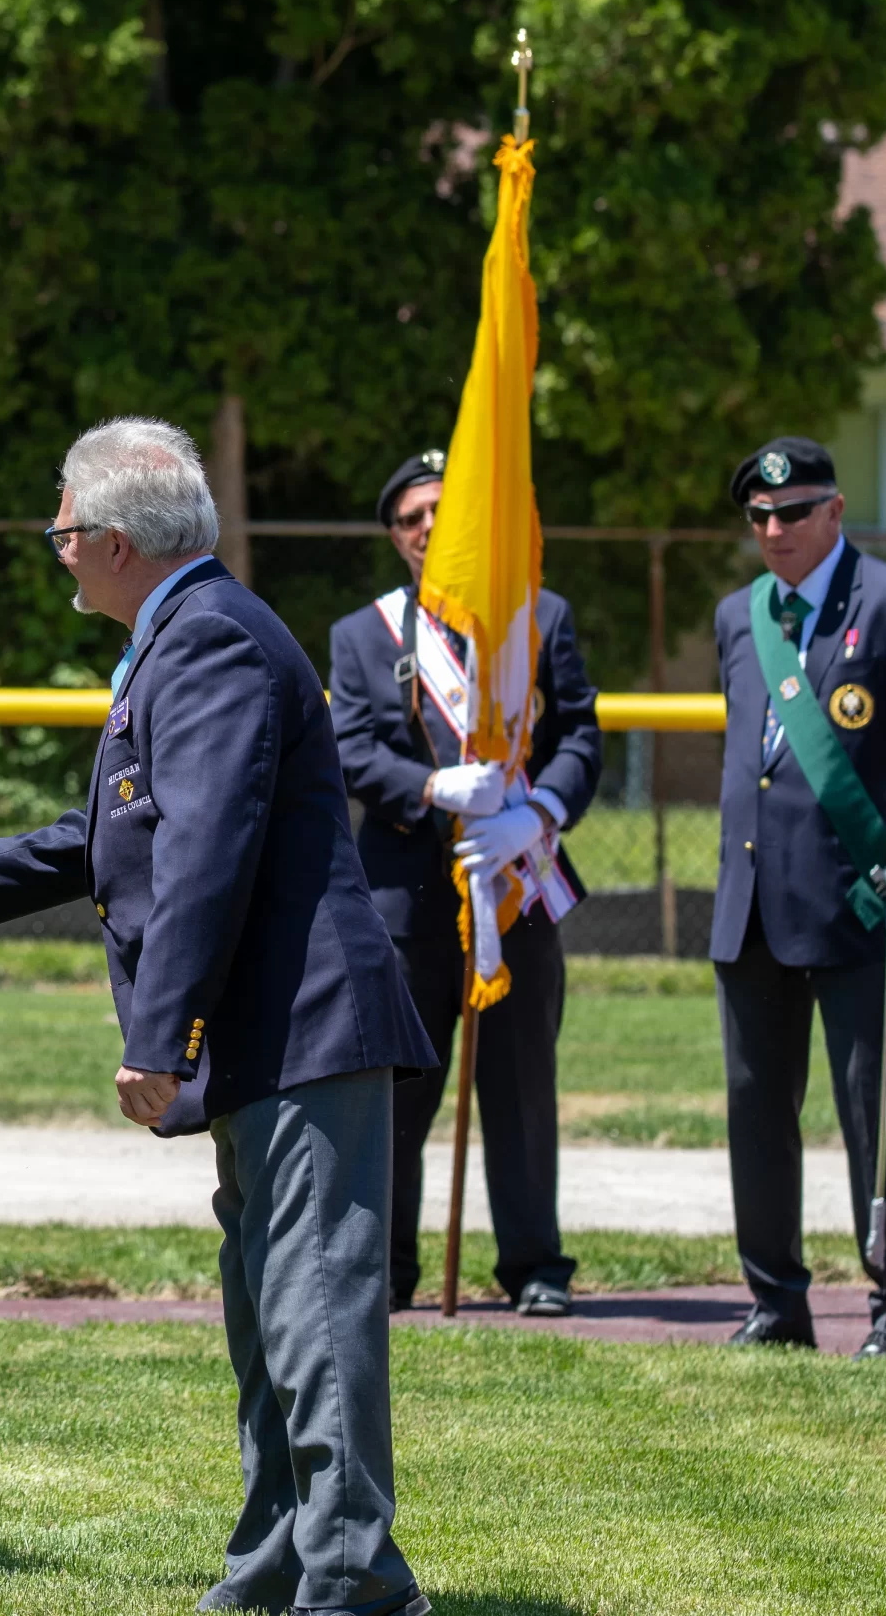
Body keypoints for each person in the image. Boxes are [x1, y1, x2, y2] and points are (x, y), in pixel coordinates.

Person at [0, 419, 438, 1616]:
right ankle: (276, 1567)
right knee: (269, 1321)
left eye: (62, 531)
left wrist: (159, 1041)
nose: (55, 551)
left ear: (114, 540)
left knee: (314, 1319)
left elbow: (206, 853)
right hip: (277, 1037)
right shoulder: (181, 635)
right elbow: (102, 841)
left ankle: (356, 1586)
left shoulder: (208, 639)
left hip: (303, 1029)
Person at [711, 436, 886, 1361]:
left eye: (794, 511)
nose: (776, 529)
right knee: (755, 1107)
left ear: (834, 511)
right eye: (760, 517)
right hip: (750, 904)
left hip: (857, 902)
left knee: (871, 1107)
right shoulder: (737, 619)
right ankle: (775, 1302)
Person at [327, 449, 602, 1316]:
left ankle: (535, 1268)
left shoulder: (537, 618)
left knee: (521, 1090)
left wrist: (542, 810)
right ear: (396, 538)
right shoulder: (364, 635)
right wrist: (428, 787)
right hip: (408, 900)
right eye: (412, 517)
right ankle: (390, 1271)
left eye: (443, 509)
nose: (429, 528)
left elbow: (581, 737)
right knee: (398, 1095)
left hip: (514, 887)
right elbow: (352, 747)